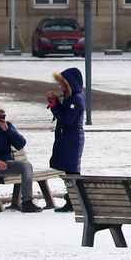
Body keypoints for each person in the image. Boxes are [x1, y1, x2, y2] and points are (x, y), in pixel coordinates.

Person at [46, 68, 86, 212]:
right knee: (70, 171)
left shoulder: (76, 98)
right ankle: (73, 199)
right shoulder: (72, 97)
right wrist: (55, 102)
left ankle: (74, 200)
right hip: (69, 138)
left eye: (61, 83)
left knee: (72, 171)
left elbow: (67, 120)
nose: (59, 86)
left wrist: (54, 106)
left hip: (72, 139)